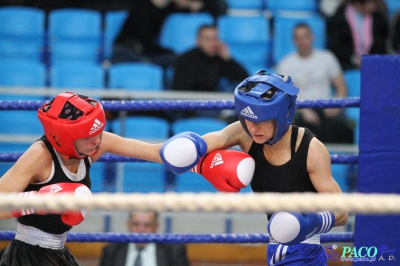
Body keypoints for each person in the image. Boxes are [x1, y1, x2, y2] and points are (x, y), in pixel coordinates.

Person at [159, 71, 349, 265]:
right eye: (248, 119)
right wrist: (132, 147)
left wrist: (311, 222)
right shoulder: (246, 132)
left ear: (283, 114)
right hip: (274, 248)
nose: (252, 128)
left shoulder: (311, 149)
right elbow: (192, 150)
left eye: (260, 121)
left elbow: (342, 213)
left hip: (306, 252)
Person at [0, 92, 167, 266]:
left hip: (58, 251)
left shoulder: (93, 141)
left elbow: (155, 151)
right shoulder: (39, 156)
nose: (96, 141)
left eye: (99, 132)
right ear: (65, 138)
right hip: (26, 256)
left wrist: (196, 148)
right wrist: (36, 201)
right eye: (88, 137)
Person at [276, 23, 354, 144]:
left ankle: (342, 162)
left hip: (326, 106)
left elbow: (341, 86)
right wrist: (303, 110)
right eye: (298, 37)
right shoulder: (285, 64)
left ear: (312, 37)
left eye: (305, 36)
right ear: (294, 40)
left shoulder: (327, 58)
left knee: (344, 127)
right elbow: (284, 95)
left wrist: (336, 106)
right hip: (299, 109)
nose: (302, 41)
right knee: (289, 126)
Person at [112, 0, 227, 69]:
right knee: (158, 61)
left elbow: (217, 7)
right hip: (126, 50)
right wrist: (169, 51)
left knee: (177, 60)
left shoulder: (167, 8)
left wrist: (194, 5)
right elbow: (145, 42)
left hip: (144, 51)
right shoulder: (141, 8)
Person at [170, 24, 248, 121]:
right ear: (197, 41)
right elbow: (180, 91)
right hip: (192, 107)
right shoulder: (186, 59)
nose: (212, 43)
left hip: (214, 103)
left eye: (215, 38)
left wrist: (228, 58)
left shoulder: (219, 58)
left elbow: (244, 79)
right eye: (207, 39)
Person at [99, 210, 190, 266]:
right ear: (128, 225)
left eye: (147, 225)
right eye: (136, 224)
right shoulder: (112, 251)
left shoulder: (173, 252)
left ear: (156, 227)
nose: (141, 230)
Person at [327, 0, 389, 70]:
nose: (373, 6)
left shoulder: (378, 19)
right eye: (370, 3)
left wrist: (370, 60)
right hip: (346, 62)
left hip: (372, 61)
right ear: (358, 4)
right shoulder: (338, 20)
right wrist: (353, 59)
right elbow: (337, 47)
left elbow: (380, 45)